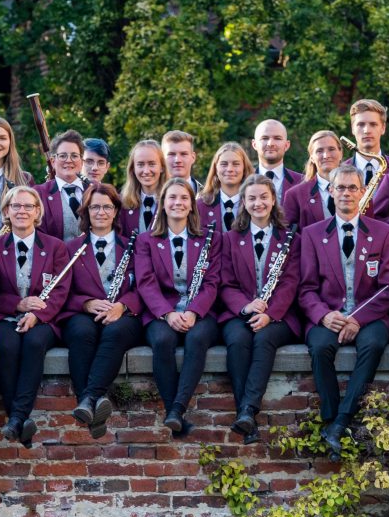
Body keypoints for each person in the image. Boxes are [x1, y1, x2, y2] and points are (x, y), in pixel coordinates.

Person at [298, 165, 389, 456]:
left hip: (370, 316)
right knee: (319, 348)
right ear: (330, 191)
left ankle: (341, 421)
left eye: (352, 187)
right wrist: (323, 315)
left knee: (373, 344)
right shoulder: (311, 234)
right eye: (340, 187)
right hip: (328, 314)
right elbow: (305, 288)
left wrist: (357, 318)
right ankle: (332, 417)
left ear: (362, 192)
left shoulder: (384, 233)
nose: (346, 193)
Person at [217, 178, 302, 440]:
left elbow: (290, 283)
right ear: (243, 203)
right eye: (252, 198)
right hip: (239, 312)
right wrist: (246, 306)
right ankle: (246, 415)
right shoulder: (229, 239)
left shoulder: (291, 239)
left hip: (280, 314)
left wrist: (269, 314)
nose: (258, 203)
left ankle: (247, 409)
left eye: (264, 197)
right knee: (238, 339)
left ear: (273, 199)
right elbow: (226, 283)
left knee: (264, 339)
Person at [134, 179, 220, 436]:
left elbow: (213, 281)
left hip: (201, 312)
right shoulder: (146, 240)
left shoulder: (209, 238)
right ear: (162, 204)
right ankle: (174, 411)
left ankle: (176, 409)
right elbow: (146, 282)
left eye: (184, 198)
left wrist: (193, 311)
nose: (178, 203)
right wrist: (168, 313)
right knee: (162, 341)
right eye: (171, 198)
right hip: (162, 312)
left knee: (196, 339)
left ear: (192, 205)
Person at [0, 185, 72, 446]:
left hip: (44, 318)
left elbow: (61, 289)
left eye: (28, 206)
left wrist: (39, 314)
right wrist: (17, 304)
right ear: (6, 211)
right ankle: (19, 420)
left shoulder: (56, 247)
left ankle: (16, 418)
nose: (22, 211)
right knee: (5, 344)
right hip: (5, 315)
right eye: (16, 206)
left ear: (38, 212)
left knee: (35, 343)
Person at [60, 182, 144, 438]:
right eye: (95, 206)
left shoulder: (134, 245)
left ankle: (88, 399)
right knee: (81, 333)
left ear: (116, 211)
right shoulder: (71, 248)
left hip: (123, 314)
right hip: (83, 314)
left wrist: (122, 305)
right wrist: (85, 304)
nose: (101, 212)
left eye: (107, 207)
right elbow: (62, 291)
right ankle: (93, 405)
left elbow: (145, 286)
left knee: (115, 333)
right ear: (86, 211)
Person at [338, 99, 389, 200]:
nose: (367, 130)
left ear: (383, 128)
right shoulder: (338, 173)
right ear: (352, 129)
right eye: (361, 124)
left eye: (373, 124)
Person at [282, 130, 346, 227]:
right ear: (312, 157)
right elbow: (289, 235)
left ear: (340, 153)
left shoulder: (358, 189)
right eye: (319, 151)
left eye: (331, 149)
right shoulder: (295, 195)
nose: (326, 155)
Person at [35, 131, 90, 241]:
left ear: (82, 161)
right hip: (55, 258)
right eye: (63, 156)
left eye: (74, 156)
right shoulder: (38, 194)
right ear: (52, 161)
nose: (68, 160)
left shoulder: (94, 190)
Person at [201, 141, 256, 234]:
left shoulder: (256, 204)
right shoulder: (201, 206)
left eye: (236, 164)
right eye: (224, 164)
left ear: (244, 168)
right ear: (215, 168)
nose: (230, 169)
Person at [120, 139, 170, 235]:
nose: (146, 171)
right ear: (133, 169)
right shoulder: (121, 203)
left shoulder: (173, 201)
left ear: (162, 167)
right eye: (140, 164)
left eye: (152, 164)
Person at [250, 119, 299, 196]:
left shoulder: (303, 182)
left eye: (277, 138)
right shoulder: (242, 182)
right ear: (254, 144)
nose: (270, 143)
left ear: (286, 145)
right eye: (265, 138)